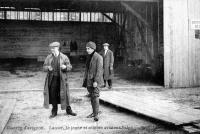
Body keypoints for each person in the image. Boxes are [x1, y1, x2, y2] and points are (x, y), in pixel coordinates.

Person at [43, 41, 77, 118]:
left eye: (53, 48)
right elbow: (44, 67)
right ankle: (54, 111)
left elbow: (70, 67)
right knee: (53, 95)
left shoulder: (64, 57)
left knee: (65, 94)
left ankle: (68, 110)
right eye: (51, 48)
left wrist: (65, 67)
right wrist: (48, 68)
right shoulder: (49, 57)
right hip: (52, 79)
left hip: (62, 79)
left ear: (58, 48)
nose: (52, 49)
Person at [82, 41, 104, 121]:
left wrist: (96, 81)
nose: (87, 50)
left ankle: (96, 115)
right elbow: (87, 70)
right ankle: (94, 112)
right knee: (92, 97)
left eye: (88, 48)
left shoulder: (98, 57)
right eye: (86, 48)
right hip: (89, 81)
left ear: (93, 49)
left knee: (95, 96)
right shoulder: (89, 57)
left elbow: (99, 71)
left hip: (95, 81)